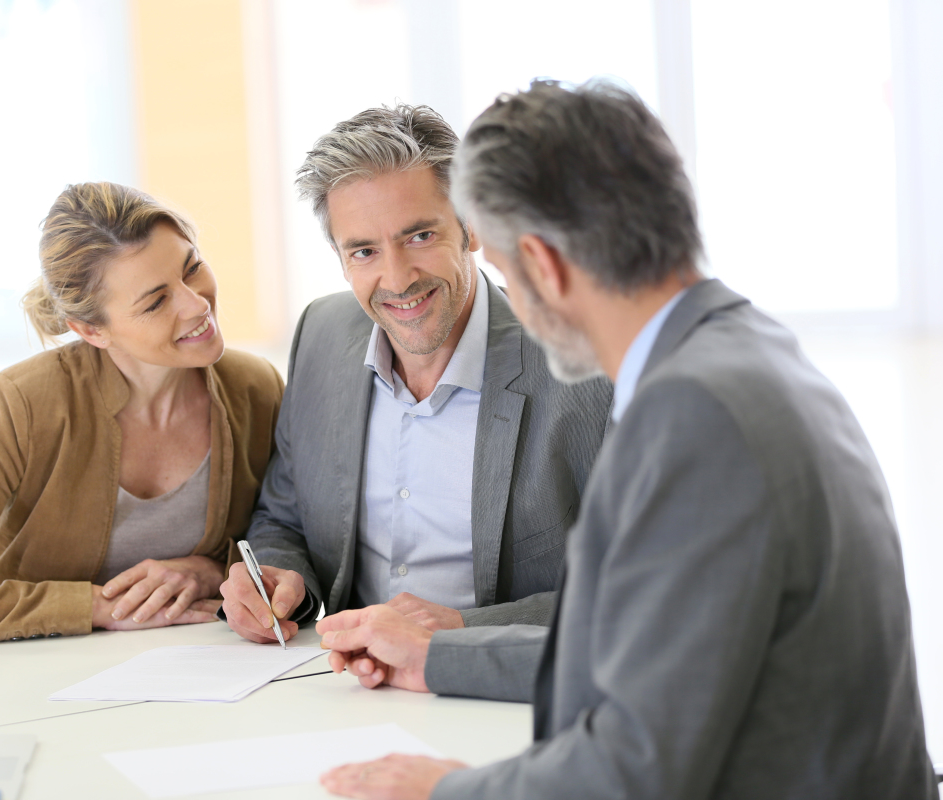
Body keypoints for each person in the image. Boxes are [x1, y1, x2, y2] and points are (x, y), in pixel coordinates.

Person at [316, 80, 938, 800]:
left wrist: (444, 793)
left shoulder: (692, 419)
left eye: (507, 274)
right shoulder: (740, 351)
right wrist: (437, 657)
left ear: (543, 267)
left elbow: (636, 768)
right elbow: (651, 652)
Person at [220, 104, 613, 645]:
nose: (397, 278)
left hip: (496, 696)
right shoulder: (322, 334)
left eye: (420, 237)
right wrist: (280, 577)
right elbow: (283, 519)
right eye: (363, 251)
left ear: (471, 226)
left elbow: (642, 582)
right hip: (334, 682)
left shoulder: (586, 364)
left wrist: (459, 631)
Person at [0, 182, 284, 648]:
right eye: (156, 301)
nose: (197, 303)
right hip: (35, 688)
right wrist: (97, 607)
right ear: (91, 329)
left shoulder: (255, 389)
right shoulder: (22, 405)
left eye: (193, 268)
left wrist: (211, 572)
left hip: (205, 675)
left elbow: (286, 535)